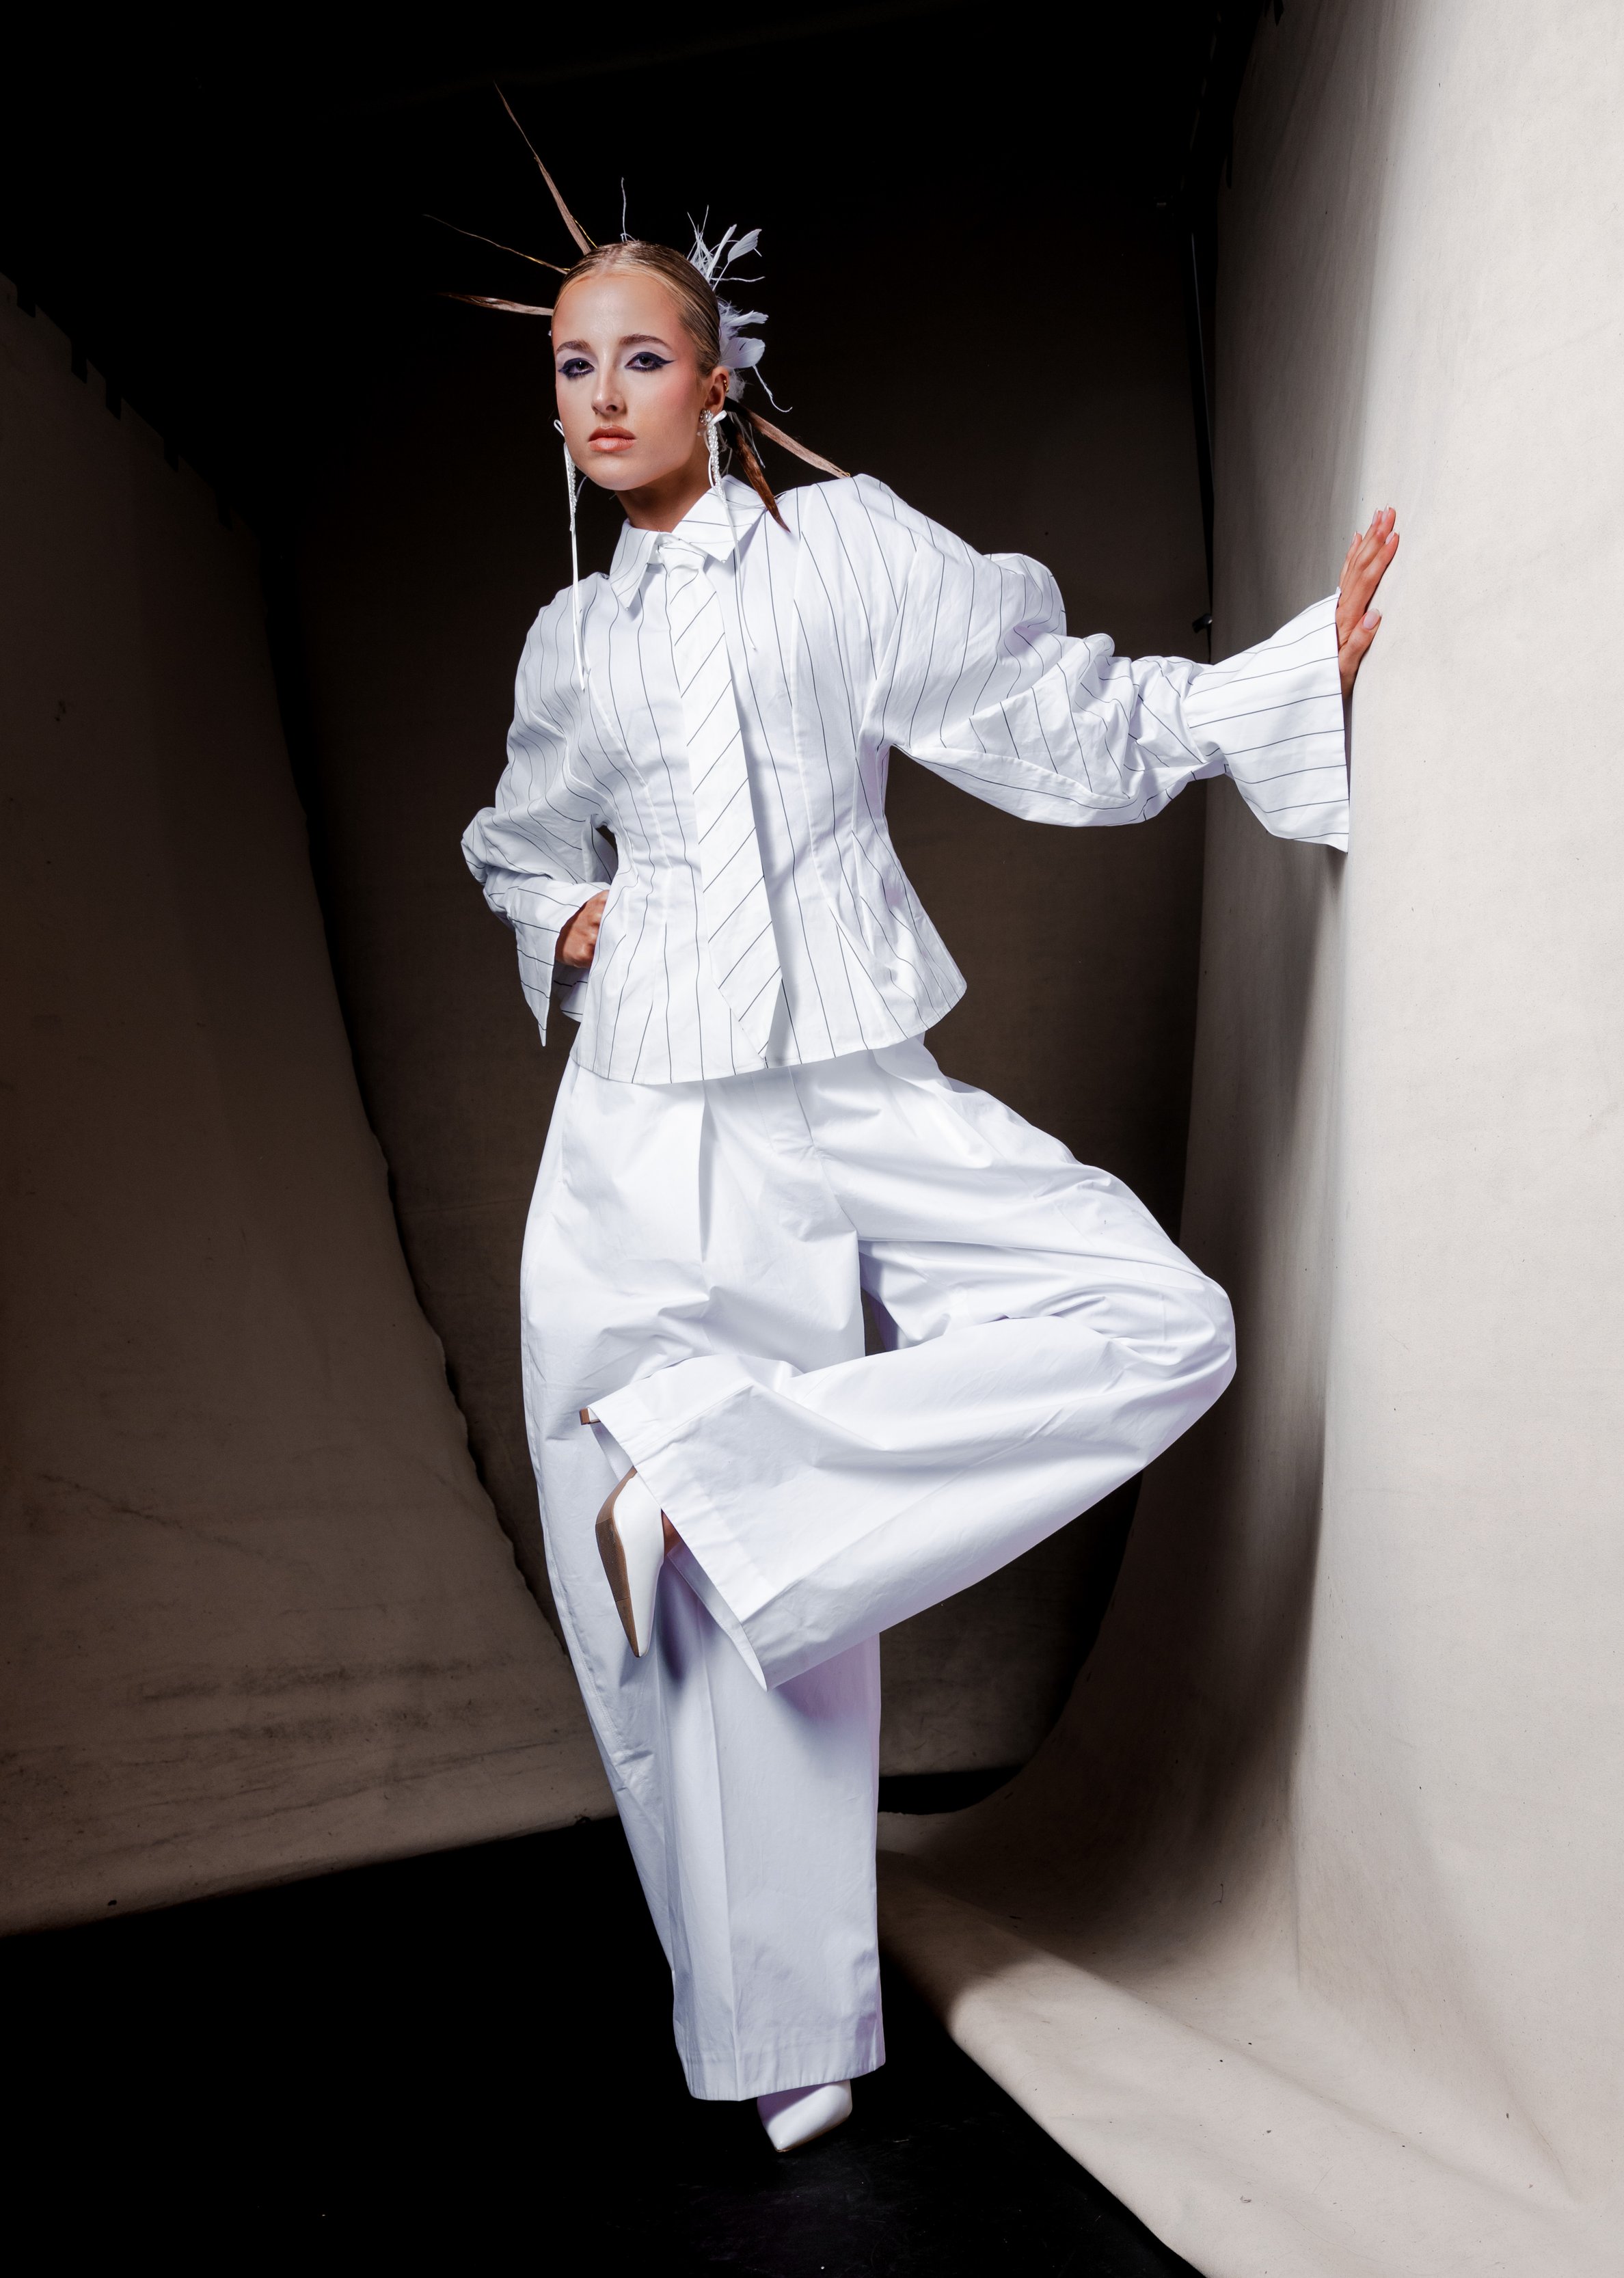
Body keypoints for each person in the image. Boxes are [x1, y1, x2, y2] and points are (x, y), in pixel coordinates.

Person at [460, 187, 1397, 2154]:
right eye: (572, 367)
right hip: (637, 1132)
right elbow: (523, 837)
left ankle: (735, 1499)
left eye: (640, 356)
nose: (604, 393)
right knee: (647, 1625)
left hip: (857, 1089)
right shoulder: (570, 643)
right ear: (551, 408)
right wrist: (563, 926)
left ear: (719, 381)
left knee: (1154, 1323)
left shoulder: (846, 552)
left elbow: (1044, 714)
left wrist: (1273, 692)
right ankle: (776, 2038)